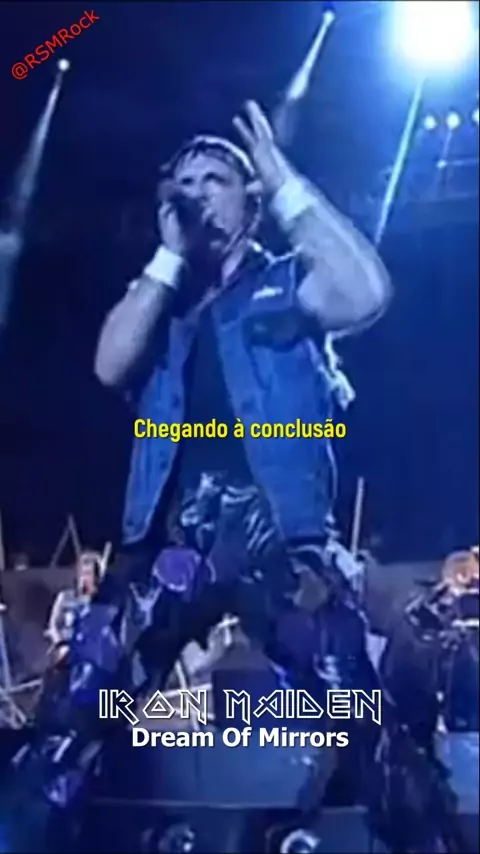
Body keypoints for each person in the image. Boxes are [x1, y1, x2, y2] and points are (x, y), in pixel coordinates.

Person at [4, 102, 460, 853]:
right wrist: (165, 259)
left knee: (359, 720)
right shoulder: (163, 305)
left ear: (249, 200)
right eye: (182, 184)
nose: (196, 193)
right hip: (173, 543)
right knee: (83, 708)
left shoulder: (286, 285)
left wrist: (284, 184)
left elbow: (365, 294)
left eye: (213, 179)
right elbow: (109, 364)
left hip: (277, 540)